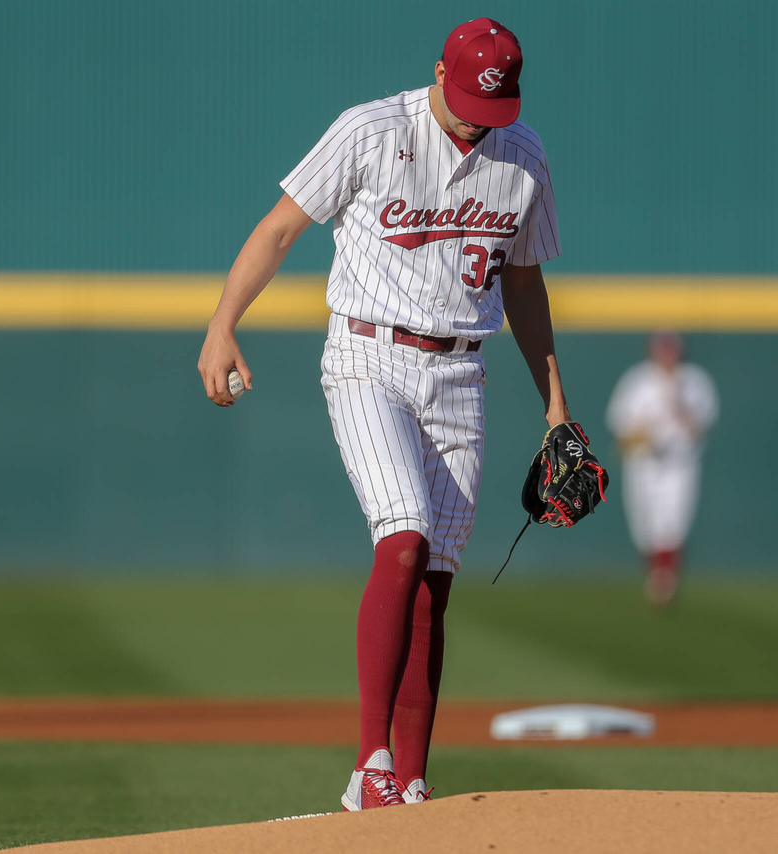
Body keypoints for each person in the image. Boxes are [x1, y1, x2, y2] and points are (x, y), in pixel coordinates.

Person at [197, 19, 575, 810]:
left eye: (492, 105)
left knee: (435, 580)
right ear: (438, 70)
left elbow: (524, 283)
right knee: (402, 536)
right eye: (468, 98)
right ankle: (367, 766)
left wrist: (556, 407)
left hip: (461, 375)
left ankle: (410, 780)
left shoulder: (523, 154)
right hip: (368, 356)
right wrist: (223, 322)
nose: (477, 117)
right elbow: (280, 229)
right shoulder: (371, 130)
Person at [606, 332, 718, 607]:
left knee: (672, 524)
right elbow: (620, 432)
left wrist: (682, 410)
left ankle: (664, 582)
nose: (667, 357)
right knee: (644, 529)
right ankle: (657, 577)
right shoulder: (637, 381)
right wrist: (641, 436)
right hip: (642, 464)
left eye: (671, 351)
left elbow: (702, 425)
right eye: (663, 351)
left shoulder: (694, 381)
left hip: (679, 465)